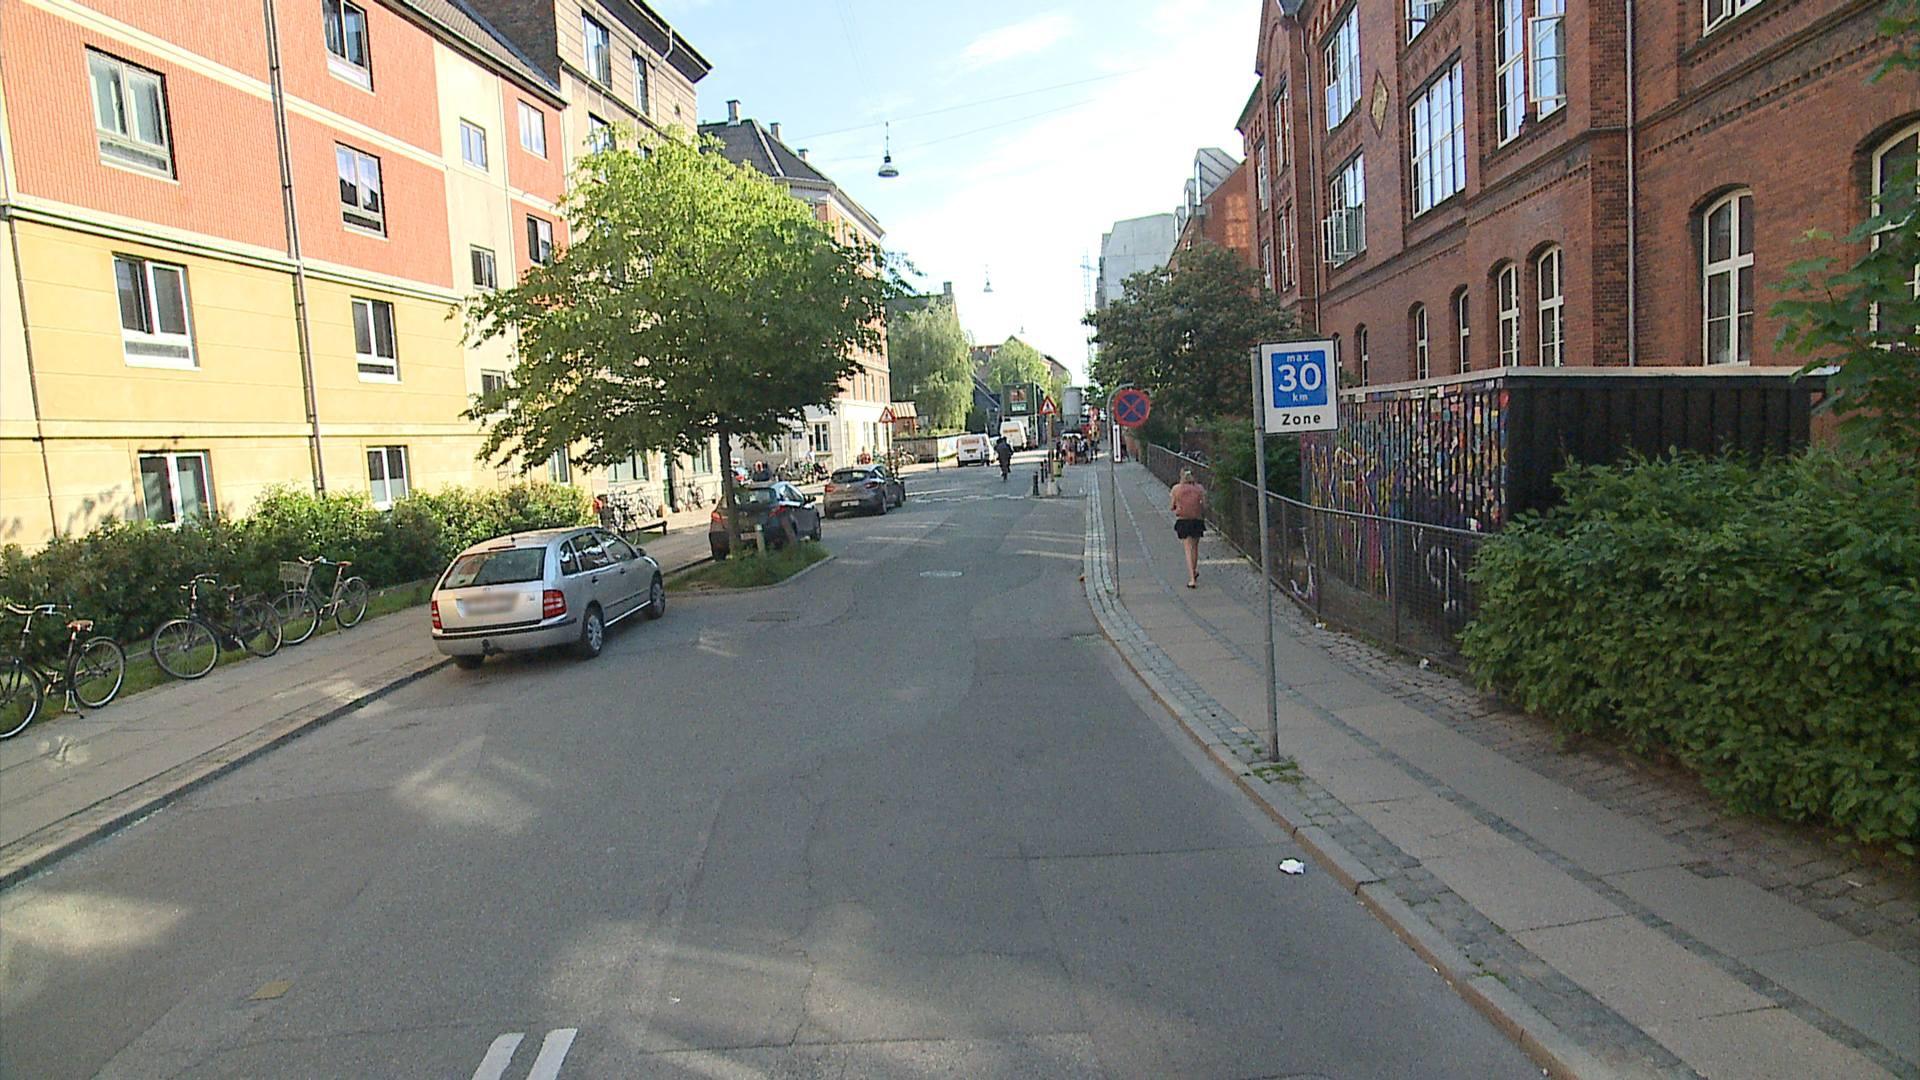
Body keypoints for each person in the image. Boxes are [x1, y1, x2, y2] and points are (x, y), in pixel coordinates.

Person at [1170, 468, 1207, 588]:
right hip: (1197, 521)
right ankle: (1194, 571)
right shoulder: (1199, 488)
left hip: (1183, 521)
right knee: (1195, 548)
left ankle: (1192, 578)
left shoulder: (1176, 489)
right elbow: (1204, 505)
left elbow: (1172, 506)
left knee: (1187, 549)